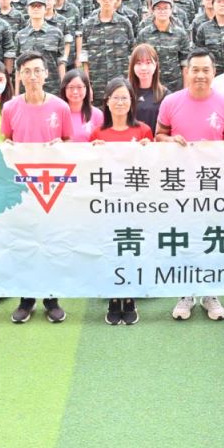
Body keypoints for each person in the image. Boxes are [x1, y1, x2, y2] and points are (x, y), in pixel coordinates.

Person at [157, 49, 224, 322]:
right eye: (195, 69)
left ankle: (210, 293)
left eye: (206, 70)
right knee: (185, 237)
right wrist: (171, 141)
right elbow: (159, 135)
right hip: (180, 184)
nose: (200, 75)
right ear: (187, 72)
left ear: (213, 72)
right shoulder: (171, 102)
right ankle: (186, 292)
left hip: (213, 185)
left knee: (211, 237)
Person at [0, 52, 73, 325]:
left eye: (37, 71)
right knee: (24, 242)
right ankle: (26, 299)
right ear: (19, 75)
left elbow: (68, 141)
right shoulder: (10, 108)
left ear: (46, 74)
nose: (32, 76)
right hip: (22, 187)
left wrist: (61, 146)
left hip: (52, 186)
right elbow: (7, 141)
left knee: (51, 240)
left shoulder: (60, 107)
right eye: (27, 71)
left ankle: (51, 299)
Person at [90, 77, 151, 326]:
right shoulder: (98, 133)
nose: (120, 102)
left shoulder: (143, 131)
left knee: (131, 247)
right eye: (115, 98)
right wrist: (92, 151)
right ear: (107, 102)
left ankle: (130, 296)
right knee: (111, 247)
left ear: (132, 101)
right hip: (108, 202)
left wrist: (149, 149)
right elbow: (89, 169)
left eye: (125, 98)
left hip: (135, 202)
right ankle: (114, 298)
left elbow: (153, 167)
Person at [127, 44, 167, 135]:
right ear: (132, 66)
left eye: (148, 63)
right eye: (138, 63)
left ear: (155, 65)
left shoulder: (165, 95)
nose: (143, 68)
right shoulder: (125, 93)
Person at [59, 69, 103, 141]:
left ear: (86, 88)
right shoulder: (58, 114)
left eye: (79, 87)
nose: (75, 92)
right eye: (71, 87)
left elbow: (103, 141)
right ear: (64, 89)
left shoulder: (97, 114)